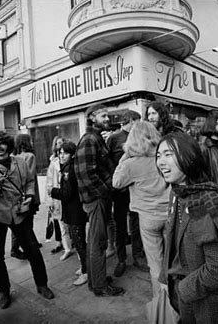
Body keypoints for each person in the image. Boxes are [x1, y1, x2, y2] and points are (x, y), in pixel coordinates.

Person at [156, 132, 218, 323]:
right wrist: (165, 278)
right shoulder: (178, 192)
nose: (161, 161)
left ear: (189, 157)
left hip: (209, 307)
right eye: (158, 155)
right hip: (184, 297)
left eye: (168, 154)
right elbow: (172, 240)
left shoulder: (204, 202)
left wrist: (182, 290)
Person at [0, 130, 54, 309]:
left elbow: (30, 181)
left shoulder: (20, 162)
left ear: (9, 145)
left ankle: (42, 284)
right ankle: (4, 291)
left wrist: (29, 196)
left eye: (2, 143)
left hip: (20, 213)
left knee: (33, 250)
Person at [112, 121, 170, 297]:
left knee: (156, 264)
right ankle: (178, 300)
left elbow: (116, 182)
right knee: (173, 259)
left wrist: (124, 158)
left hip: (148, 219)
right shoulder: (162, 158)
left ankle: (163, 305)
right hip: (169, 214)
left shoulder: (131, 164)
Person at [74, 104, 125, 297]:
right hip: (96, 199)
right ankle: (100, 285)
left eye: (107, 115)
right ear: (92, 117)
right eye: (103, 116)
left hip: (98, 198)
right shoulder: (89, 139)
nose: (107, 119)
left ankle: (96, 279)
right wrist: (106, 190)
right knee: (98, 242)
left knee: (95, 240)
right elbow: (85, 174)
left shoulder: (95, 138)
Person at [107, 110, 149, 277]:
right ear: (131, 121)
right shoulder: (113, 138)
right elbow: (108, 162)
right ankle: (121, 259)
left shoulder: (139, 137)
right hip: (119, 190)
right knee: (120, 226)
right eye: (137, 121)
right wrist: (117, 181)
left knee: (136, 223)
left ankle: (138, 256)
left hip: (136, 189)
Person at [50, 141, 89, 286]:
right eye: (60, 153)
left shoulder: (68, 170)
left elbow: (67, 193)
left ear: (72, 154)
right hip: (74, 211)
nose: (61, 155)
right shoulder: (69, 167)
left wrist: (52, 191)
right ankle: (85, 267)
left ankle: (86, 272)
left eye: (65, 153)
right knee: (79, 242)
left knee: (79, 243)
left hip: (74, 212)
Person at [11, 134, 42, 259]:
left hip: (17, 194)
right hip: (29, 194)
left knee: (20, 221)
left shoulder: (13, 157)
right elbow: (29, 175)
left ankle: (26, 244)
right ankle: (24, 246)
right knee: (28, 221)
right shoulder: (30, 156)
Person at [46, 136, 74, 261]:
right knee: (63, 227)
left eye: (62, 144)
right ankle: (67, 248)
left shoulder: (72, 165)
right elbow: (49, 182)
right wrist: (50, 201)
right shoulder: (54, 164)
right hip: (58, 200)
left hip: (70, 200)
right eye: (59, 150)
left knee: (74, 227)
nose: (62, 154)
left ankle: (79, 250)